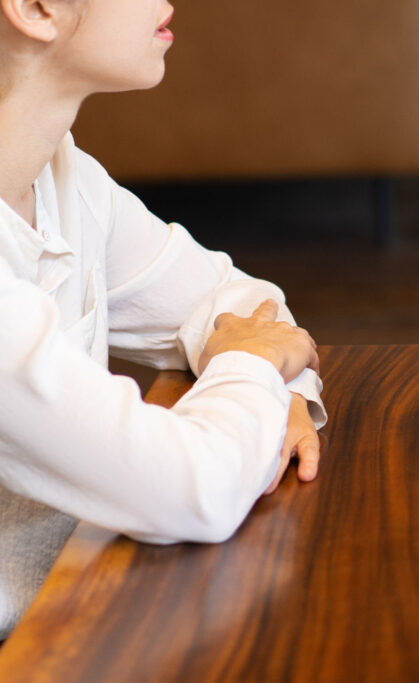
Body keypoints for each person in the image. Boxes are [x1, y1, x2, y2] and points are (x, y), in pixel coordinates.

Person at [0, 0, 326, 638]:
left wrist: (275, 386)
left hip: (71, 624)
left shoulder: (65, 176)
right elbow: (195, 490)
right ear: (36, 9)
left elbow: (244, 301)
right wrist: (256, 374)